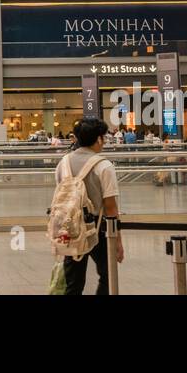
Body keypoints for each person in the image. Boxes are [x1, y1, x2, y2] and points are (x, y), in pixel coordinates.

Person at [54, 118, 122, 295]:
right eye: (104, 138)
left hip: (71, 228)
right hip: (98, 229)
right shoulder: (104, 166)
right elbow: (110, 207)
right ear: (99, 139)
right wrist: (118, 241)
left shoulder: (64, 162)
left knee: (73, 284)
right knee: (108, 276)